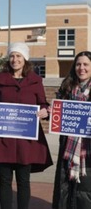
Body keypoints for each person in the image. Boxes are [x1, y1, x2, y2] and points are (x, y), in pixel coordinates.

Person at [0, 42, 53, 209]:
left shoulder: (35, 80)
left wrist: (44, 111)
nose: (15, 59)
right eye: (12, 56)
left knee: (23, 180)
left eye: (18, 56)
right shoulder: (0, 78)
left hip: (26, 139)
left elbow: (42, 102)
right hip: (3, 137)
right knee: (4, 179)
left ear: (25, 59)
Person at [52, 51, 91, 209]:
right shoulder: (67, 87)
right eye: (78, 64)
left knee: (85, 192)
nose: (81, 68)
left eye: (86, 64)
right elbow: (58, 115)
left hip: (88, 152)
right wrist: (50, 112)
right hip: (68, 150)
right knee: (65, 191)